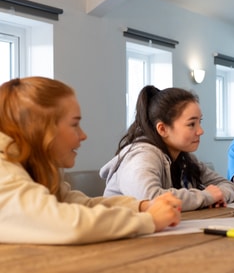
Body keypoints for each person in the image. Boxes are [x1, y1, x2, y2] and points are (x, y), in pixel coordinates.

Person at [0, 77, 181, 244]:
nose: (83, 135)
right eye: (74, 124)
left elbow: (80, 204)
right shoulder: (4, 172)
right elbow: (67, 224)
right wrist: (149, 220)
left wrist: (142, 206)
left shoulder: (30, 166)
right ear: (40, 129)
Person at [100, 86, 234, 211]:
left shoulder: (184, 158)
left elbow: (227, 185)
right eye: (191, 124)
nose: (200, 131)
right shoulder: (142, 155)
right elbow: (151, 198)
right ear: (162, 129)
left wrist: (218, 196)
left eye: (199, 122)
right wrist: (206, 197)